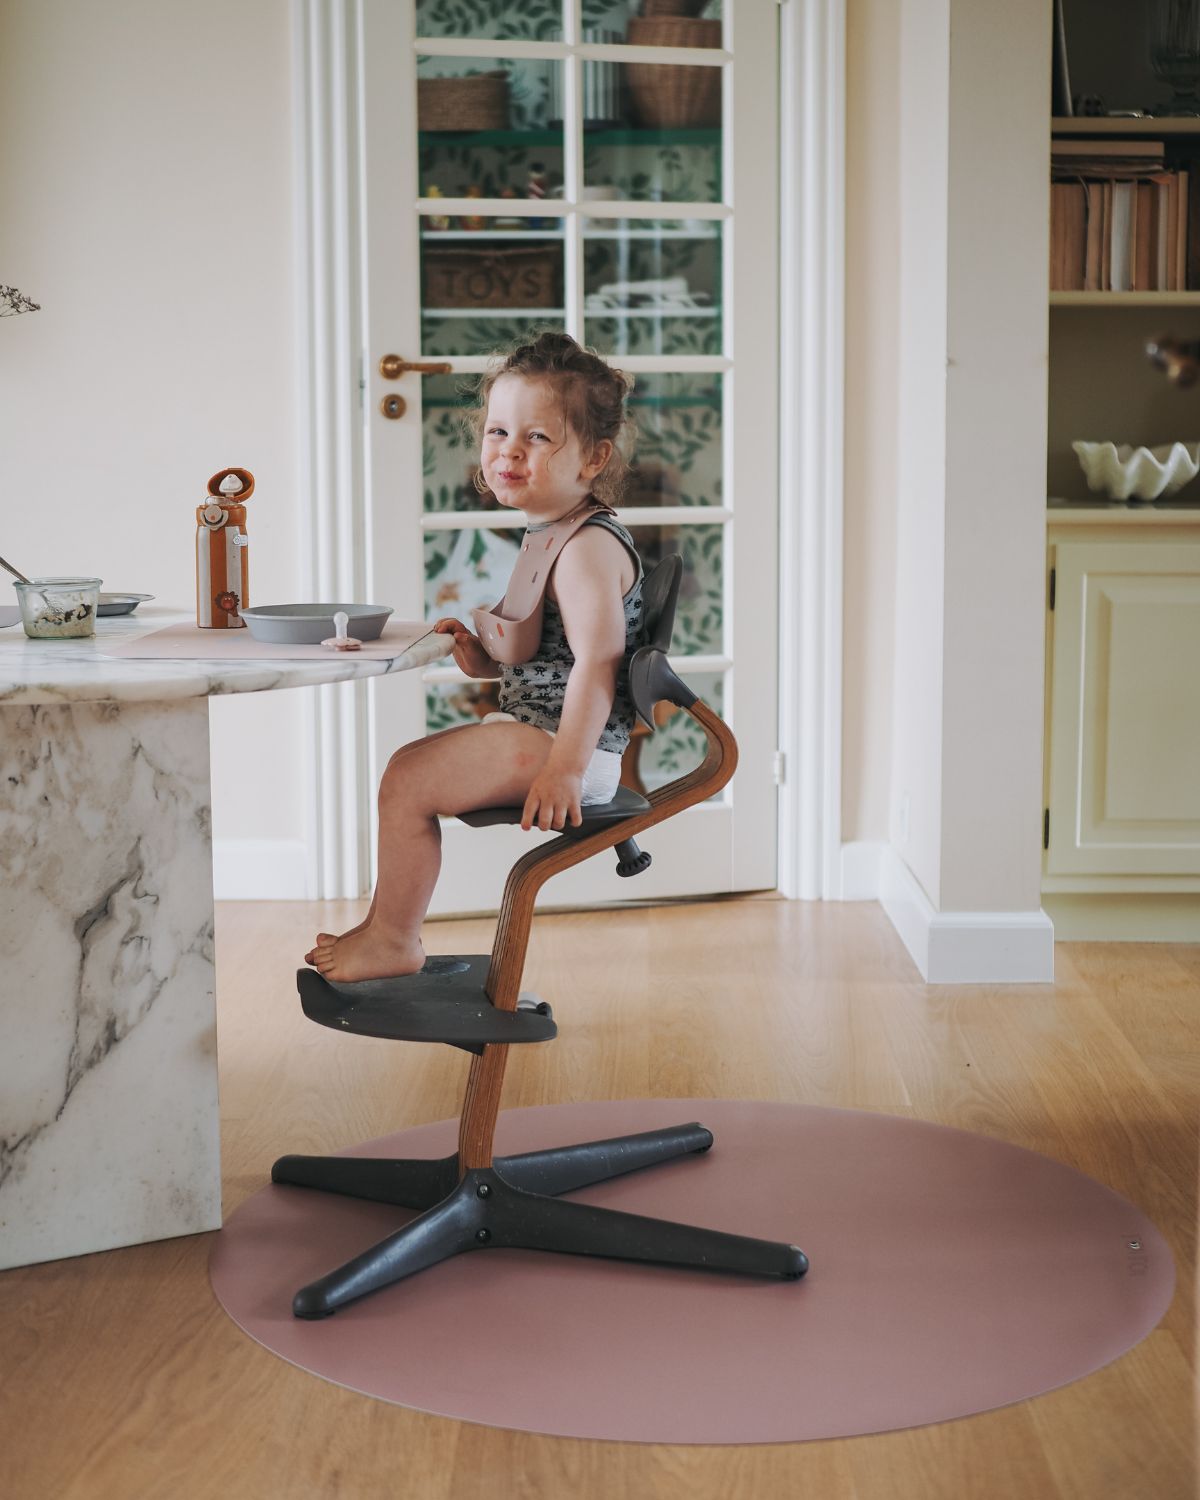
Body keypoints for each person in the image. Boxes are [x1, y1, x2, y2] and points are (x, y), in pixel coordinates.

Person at [305, 331, 644, 984]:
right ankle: (385, 930)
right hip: (548, 734)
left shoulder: (585, 549)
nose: (508, 451)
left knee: (408, 780)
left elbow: (598, 665)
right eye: (497, 431)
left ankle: (393, 939)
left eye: (537, 438)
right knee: (405, 771)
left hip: (567, 749)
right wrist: (486, 661)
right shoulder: (555, 531)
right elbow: (552, 655)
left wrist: (565, 771)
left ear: (593, 457)